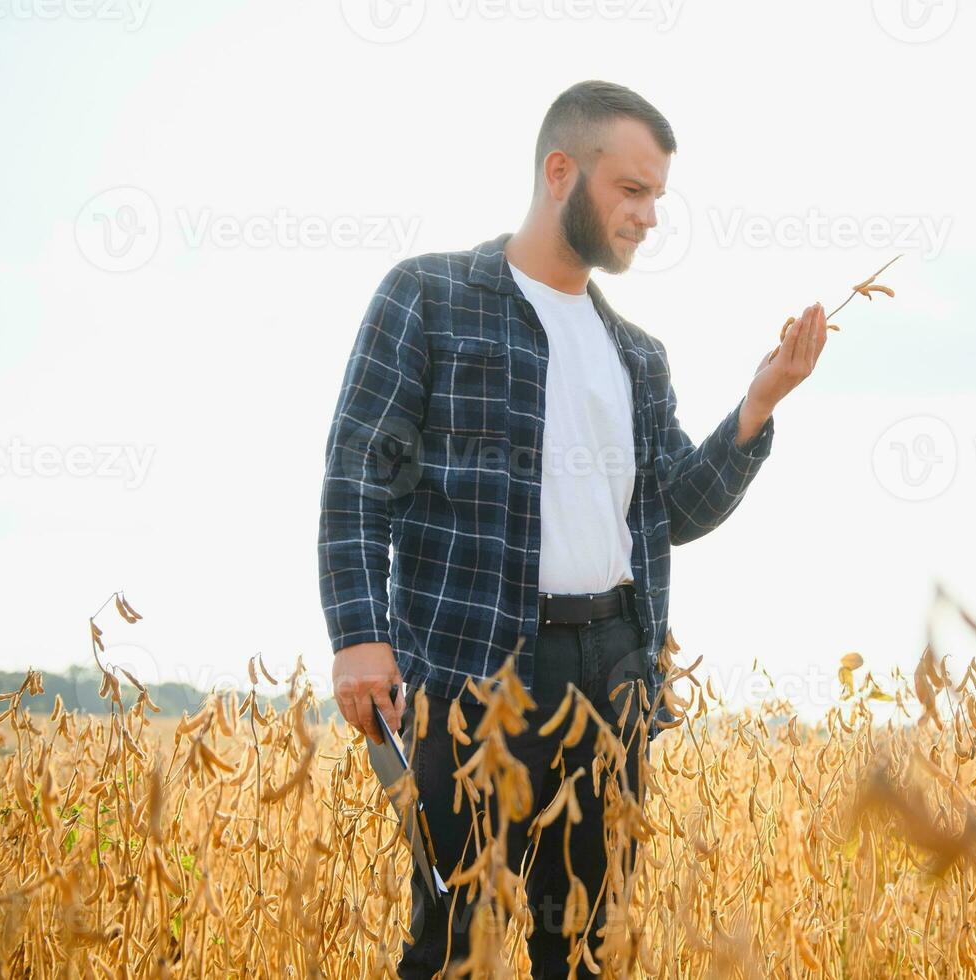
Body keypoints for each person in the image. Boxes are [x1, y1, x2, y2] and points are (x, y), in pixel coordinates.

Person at [316, 79, 829, 978]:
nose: (648, 217)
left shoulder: (636, 353)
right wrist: (359, 635)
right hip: (471, 669)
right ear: (561, 171)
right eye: (631, 191)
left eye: (657, 197)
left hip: (613, 671)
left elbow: (674, 509)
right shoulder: (429, 298)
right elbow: (360, 478)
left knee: (593, 946)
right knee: (453, 947)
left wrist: (758, 403)